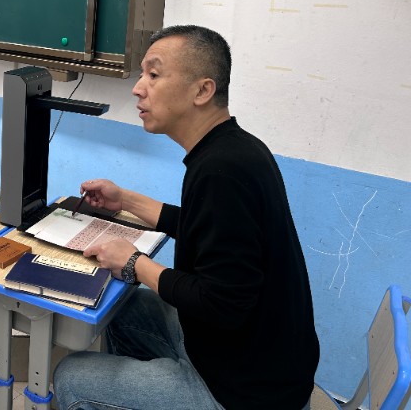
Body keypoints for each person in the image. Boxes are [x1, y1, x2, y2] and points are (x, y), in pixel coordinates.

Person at [52, 25, 319, 410]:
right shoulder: (233, 149)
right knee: (121, 310)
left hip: (244, 391)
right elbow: (203, 227)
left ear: (202, 91)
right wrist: (124, 200)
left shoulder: (222, 171)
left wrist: (133, 262)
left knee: (71, 376)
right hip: (246, 356)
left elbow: (222, 304)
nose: (138, 88)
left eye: (154, 74)